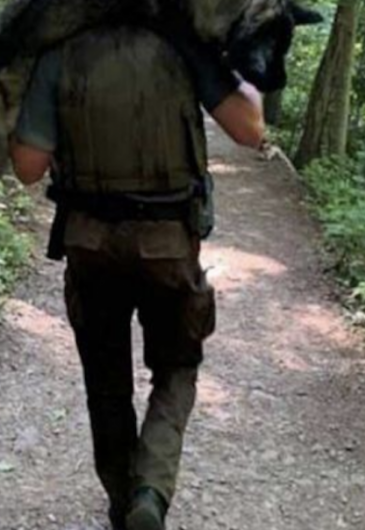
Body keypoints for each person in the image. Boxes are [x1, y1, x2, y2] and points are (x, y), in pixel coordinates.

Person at [8, 20, 264, 530]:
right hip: (168, 243)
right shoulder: (184, 40)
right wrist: (247, 77)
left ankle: (123, 496)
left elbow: (28, 167)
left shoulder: (60, 48)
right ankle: (150, 489)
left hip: (88, 242)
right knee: (177, 364)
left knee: (105, 380)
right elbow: (250, 130)